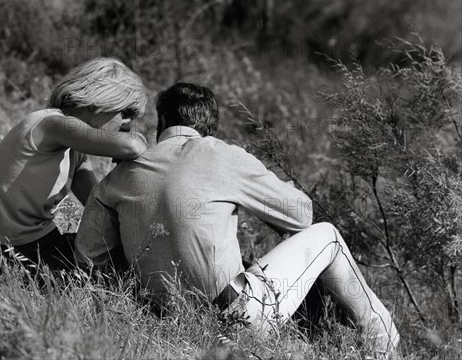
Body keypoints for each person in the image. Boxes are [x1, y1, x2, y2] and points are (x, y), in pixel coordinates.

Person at [75, 83, 400, 357]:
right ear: (209, 128)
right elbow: (301, 216)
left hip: (166, 320)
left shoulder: (115, 178)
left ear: (161, 123)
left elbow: (89, 256)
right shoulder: (220, 153)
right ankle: (385, 343)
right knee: (326, 235)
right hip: (236, 319)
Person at [0, 57, 148, 277]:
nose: (127, 125)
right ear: (101, 102)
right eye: (125, 114)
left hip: (33, 244)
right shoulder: (52, 124)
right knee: (112, 273)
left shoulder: (72, 149)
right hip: (23, 246)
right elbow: (131, 146)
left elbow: (97, 205)